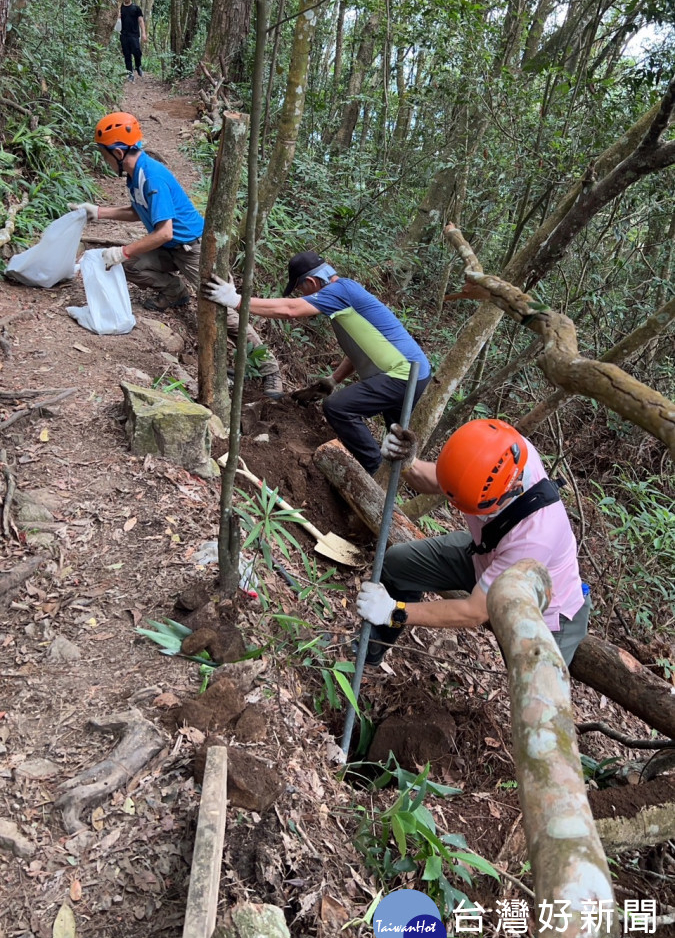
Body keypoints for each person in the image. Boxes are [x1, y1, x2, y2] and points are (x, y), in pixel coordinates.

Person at [72, 112, 284, 396]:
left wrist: (122, 250)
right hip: (170, 249)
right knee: (131, 266)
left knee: (225, 309)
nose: (105, 161)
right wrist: (98, 212)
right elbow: (139, 211)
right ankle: (175, 292)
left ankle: (270, 370)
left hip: (195, 249)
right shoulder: (135, 176)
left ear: (119, 152)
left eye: (105, 155)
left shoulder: (152, 176)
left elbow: (164, 232)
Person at [355, 417, 591, 666]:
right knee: (399, 563)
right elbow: (440, 482)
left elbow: (474, 612)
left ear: (513, 488)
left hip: (541, 606)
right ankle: (372, 647)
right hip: (487, 557)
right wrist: (408, 463)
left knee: (536, 692)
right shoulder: (500, 448)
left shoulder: (535, 537)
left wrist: (394, 611)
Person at [203, 249, 431, 472]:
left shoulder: (338, 292)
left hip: (402, 374)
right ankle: (384, 483)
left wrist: (236, 300)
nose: (302, 296)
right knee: (397, 443)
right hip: (413, 375)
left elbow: (290, 309)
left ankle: (371, 467)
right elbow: (360, 350)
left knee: (338, 408)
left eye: (301, 289)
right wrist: (333, 380)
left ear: (312, 282)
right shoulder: (345, 297)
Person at [119, 0, 147, 81]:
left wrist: (143, 33)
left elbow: (141, 21)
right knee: (127, 54)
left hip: (134, 34)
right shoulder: (120, 8)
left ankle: (138, 66)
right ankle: (130, 73)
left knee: (137, 51)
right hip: (124, 34)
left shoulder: (136, 8)